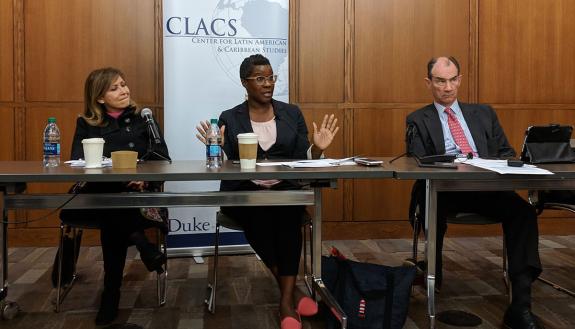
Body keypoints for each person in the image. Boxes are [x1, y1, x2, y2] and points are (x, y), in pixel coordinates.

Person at [196, 54, 339, 329]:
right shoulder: (230, 117)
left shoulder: (291, 113)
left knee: (288, 220)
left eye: (271, 77)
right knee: (259, 219)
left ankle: (285, 300)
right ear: (244, 83)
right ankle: (291, 294)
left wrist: (318, 148)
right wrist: (219, 147)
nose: (268, 83)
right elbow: (227, 166)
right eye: (260, 78)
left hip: (285, 191)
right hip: (244, 196)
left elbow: (302, 157)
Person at [406, 57, 543, 329]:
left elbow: (505, 152)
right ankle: (434, 270)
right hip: (444, 189)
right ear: (428, 83)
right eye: (440, 81)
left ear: (459, 79)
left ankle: (521, 304)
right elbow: (417, 161)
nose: (447, 87)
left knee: (524, 213)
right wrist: (454, 164)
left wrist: (487, 166)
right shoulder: (417, 119)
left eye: (452, 80)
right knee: (430, 204)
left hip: (486, 187)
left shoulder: (484, 113)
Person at [60, 67, 170, 326]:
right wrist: (120, 177)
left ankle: (111, 295)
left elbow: (163, 160)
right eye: (115, 88)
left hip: (139, 195)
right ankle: (142, 244)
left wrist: (144, 178)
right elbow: (79, 161)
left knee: (116, 215)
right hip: (98, 196)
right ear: (99, 97)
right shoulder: (86, 123)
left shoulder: (144, 119)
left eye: (124, 84)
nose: (124, 90)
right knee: (114, 205)